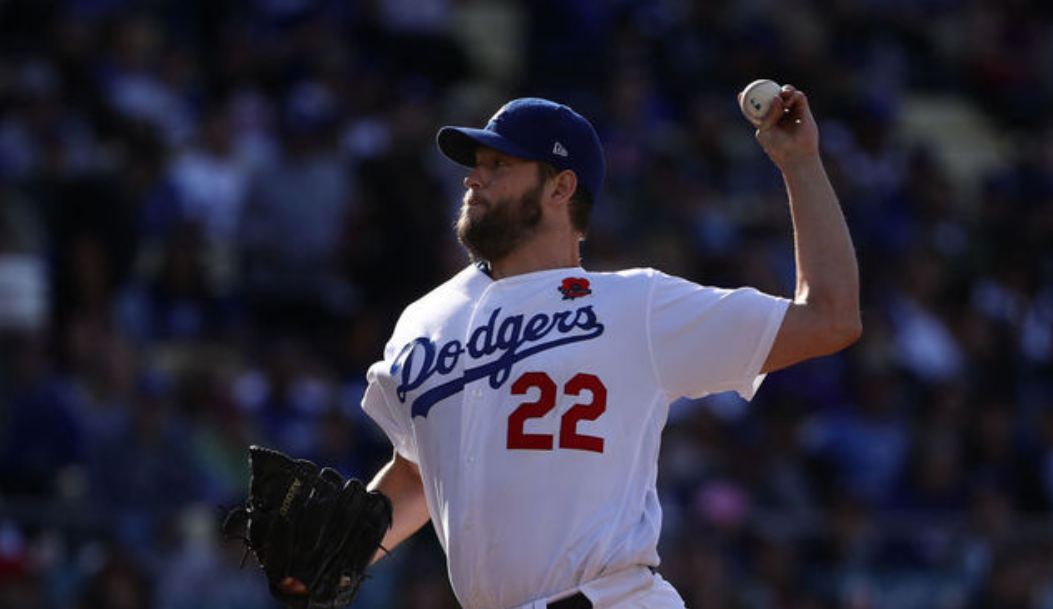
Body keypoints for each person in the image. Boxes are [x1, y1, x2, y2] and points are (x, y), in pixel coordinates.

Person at [312, 89, 859, 609]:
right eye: (476, 164)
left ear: (560, 188)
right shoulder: (424, 320)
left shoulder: (636, 306)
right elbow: (418, 472)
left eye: (499, 165)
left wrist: (801, 163)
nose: (473, 178)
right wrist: (332, 558)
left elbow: (829, 318)